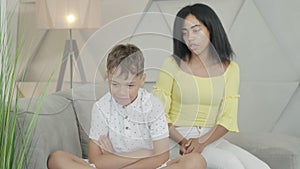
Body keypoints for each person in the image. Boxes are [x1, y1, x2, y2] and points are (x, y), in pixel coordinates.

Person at [47, 44, 206, 169]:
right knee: (57, 158)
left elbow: (162, 156)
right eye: (115, 84)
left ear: (142, 79)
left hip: (147, 167)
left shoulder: (153, 106)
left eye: (130, 85)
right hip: (117, 165)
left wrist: (112, 157)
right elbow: (96, 160)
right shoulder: (101, 107)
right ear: (108, 76)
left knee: (196, 161)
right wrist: (142, 154)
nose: (122, 92)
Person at [153, 3, 271, 169]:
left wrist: (202, 141)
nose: (190, 38)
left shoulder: (231, 69)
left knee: (262, 167)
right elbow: (158, 114)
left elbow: (228, 118)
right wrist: (183, 141)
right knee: (232, 164)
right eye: (184, 33)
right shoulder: (171, 64)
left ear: (211, 29)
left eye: (196, 30)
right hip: (177, 139)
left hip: (211, 138)